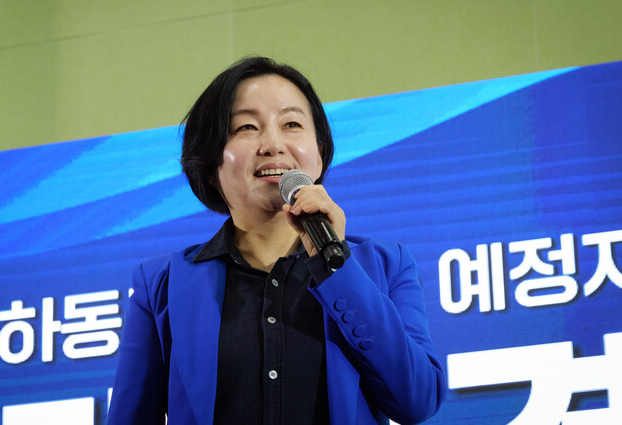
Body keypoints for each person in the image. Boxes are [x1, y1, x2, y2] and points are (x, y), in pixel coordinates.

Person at [107, 57, 446, 424]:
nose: (272, 144)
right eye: (247, 127)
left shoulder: (387, 266)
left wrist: (338, 270)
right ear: (210, 163)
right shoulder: (162, 284)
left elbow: (419, 399)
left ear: (319, 153)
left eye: (292, 124)